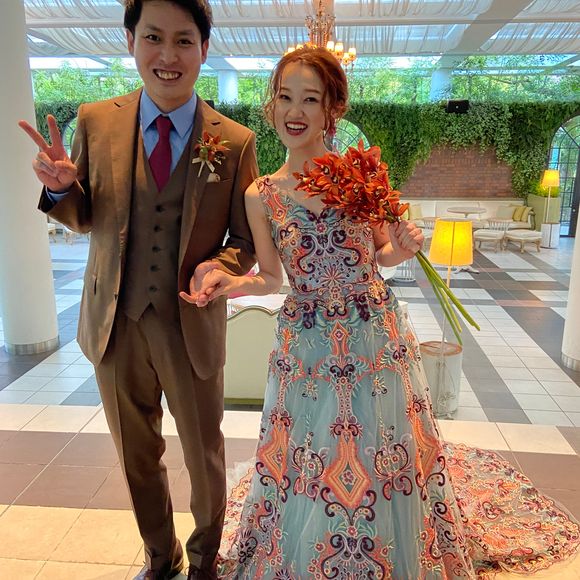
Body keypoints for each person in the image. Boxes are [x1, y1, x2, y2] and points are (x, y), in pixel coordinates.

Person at [192, 46, 580, 578]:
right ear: (271, 105)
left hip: (373, 333)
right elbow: (271, 278)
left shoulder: (358, 178)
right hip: (306, 345)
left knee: (380, 445)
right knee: (313, 448)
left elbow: (382, 255)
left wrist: (405, 245)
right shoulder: (261, 195)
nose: (294, 111)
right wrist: (229, 285)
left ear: (333, 109)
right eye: (284, 97)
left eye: (311, 99)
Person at [18, 1, 258, 578]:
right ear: (130, 41)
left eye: (184, 40)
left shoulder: (234, 141)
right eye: (153, 37)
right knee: (135, 455)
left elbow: (246, 239)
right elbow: (85, 216)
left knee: (203, 454)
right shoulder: (96, 121)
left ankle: (204, 559)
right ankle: (159, 555)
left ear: (204, 49)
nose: (168, 55)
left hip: (189, 325)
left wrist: (219, 267)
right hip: (114, 322)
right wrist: (61, 191)